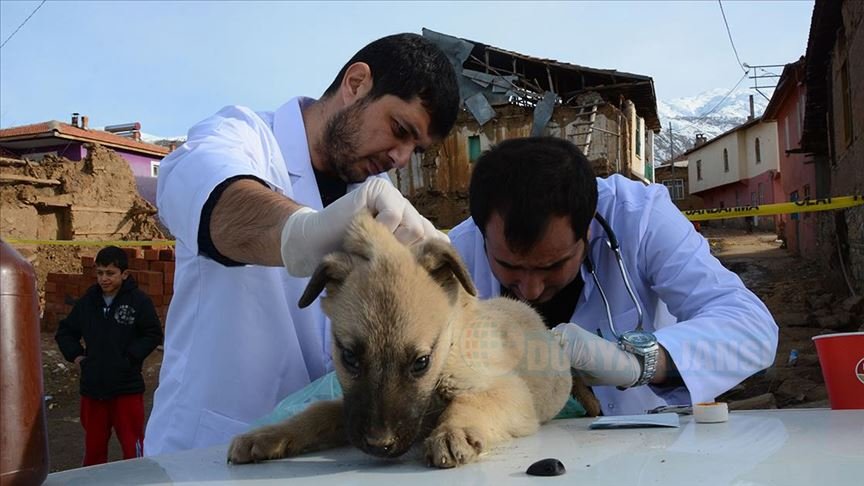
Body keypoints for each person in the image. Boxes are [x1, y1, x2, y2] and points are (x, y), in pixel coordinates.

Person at [145, 33, 460, 455]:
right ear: (356, 83)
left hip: (323, 451)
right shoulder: (242, 137)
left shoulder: (381, 199)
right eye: (399, 129)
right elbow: (212, 200)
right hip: (208, 449)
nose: (400, 158)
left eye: (414, 150)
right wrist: (303, 234)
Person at [449, 137, 778, 416]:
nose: (531, 291)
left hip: (641, 449)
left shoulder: (641, 218)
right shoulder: (458, 252)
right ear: (481, 234)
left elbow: (753, 329)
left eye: (551, 266)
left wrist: (640, 363)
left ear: (589, 228)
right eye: (510, 267)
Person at [55, 246, 163, 466]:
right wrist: (77, 357)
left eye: (110, 273)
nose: (104, 278)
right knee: (94, 450)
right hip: (93, 388)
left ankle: (139, 482)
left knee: (133, 448)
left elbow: (152, 333)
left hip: (126, 388)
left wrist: (131, 358)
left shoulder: (138, 302)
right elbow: (65, 332)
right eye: (100, 273)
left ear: (124, 274)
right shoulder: (88, 302)